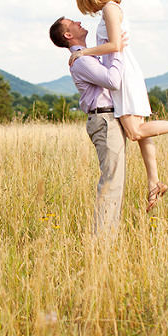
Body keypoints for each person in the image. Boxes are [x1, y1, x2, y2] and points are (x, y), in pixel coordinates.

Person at [66, 0, 168, 212]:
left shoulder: (110, 9)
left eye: (84, 3)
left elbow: (115, 45)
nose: (86, 10)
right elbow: (114, 46)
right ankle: (154, 182)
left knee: (135, 132)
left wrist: (85, 52)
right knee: (141, 131)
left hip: (124, 74)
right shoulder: (108, 11)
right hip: (123, 70)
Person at [49, 16, 126, 237]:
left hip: (107, 119)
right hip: (104, 120)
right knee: (111, 182)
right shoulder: (82, 61)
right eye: (73, 22)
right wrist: (118, 51)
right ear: (68, 35)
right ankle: (102, 241)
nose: (79, 22)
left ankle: (107, 237)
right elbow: (113, 81)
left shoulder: (86, 55)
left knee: (114, 181)